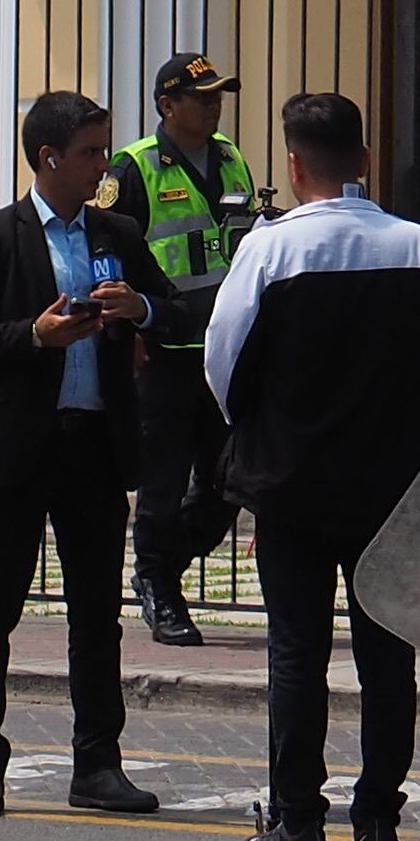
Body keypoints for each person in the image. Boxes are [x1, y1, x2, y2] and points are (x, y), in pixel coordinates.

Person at [203, 90, 420, 841]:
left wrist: (270, 426)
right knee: (387, 657)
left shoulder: (270, 252)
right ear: (364, 160)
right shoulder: (415, 247)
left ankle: (298, 823)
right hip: (390, 485)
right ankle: (378, 824)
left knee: (296, 651)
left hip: (293, 483)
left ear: (293, 164)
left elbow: (222, 366)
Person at [0, 91, 163, 820]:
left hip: (93, 447)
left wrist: (139, 309)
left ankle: (97, 765)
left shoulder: (118, 232)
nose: (104, 165)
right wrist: (34, 335)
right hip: (17, 449)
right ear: (50, 158)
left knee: (96, 616)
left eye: (105, 149)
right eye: (92, 152)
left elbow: (172, 306)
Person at [99, 52, 257, 644]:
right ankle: (160, 587)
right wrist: (125, 337)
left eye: (218, 95)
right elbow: (107, 255)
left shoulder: (230, 156)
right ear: (168, 105)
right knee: (162, 482)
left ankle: (159, 568)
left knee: (227, 482)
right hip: (163, 348)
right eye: (202, 96)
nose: (214, 106)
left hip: (222, 346)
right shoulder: (134, 167)